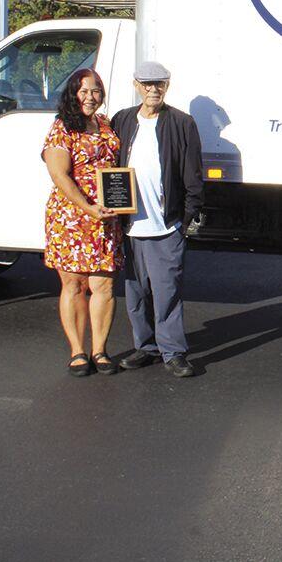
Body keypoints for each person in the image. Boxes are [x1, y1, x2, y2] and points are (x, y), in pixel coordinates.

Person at [112, 61, 204, 377]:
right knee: (136, 295)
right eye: (147, 84)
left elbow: (193, 177)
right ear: (136, 84)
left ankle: (173, 352)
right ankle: (146, 347)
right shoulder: (122, 120)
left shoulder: (181, 123)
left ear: (167, 86)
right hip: (131, 227)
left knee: (167, 293)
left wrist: (184, 221)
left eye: (160, 84)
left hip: (166, 226)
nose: (154, 89)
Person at [41, 68, 124, 378]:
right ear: (73, 93)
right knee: (74, 285)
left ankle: (100, 349)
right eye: (85, 91)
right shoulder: (62, 127)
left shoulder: (105, 124)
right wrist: (87, 207)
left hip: (106, 216)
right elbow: (59, 174)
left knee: (103, 285)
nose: (91, 97)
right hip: (72, 217)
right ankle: (78, 350)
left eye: (96, 91)